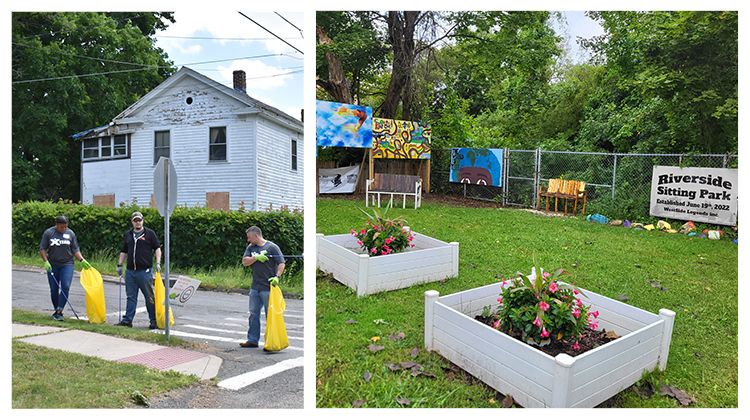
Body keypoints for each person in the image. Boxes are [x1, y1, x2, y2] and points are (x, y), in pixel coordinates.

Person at [39, 215, 91, 321]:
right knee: (54, 289)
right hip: (53, 264)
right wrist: (46, 261)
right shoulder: (49, 233)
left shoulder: (70, 233)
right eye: (61, 227)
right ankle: (57, 310)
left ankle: (59, 310)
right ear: (57, 225)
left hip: (67, 264)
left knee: (65, 286)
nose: (63, 229)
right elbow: (42, 248)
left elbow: (75, 249)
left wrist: (82, 260)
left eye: (65, 227)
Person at [240, 226, 285, 348]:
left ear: (256, 235)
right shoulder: (251, 248)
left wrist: (277, 277)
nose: (248, 240)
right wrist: (255, 257)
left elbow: (281, 263)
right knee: (253, 314)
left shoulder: (272, 247)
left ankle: (270, 342)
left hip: (268, 287)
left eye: (249, 237)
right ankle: (252, 340)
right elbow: (244, 262)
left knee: (270, 316)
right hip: (255, 287)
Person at [116, 211, 161, 328]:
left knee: (149, 296)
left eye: (139, 220)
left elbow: (157, 248)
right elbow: (124, 251)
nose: (137, 222)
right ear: (132, 222)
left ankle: (153, 320)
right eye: (135, 220)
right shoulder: (128, 235)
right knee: (131, 296)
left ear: (143, 221)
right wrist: (120, 265)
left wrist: (158, 262)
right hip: (130, 271)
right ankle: (128, 320)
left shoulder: (149, 234)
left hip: (144, 271)